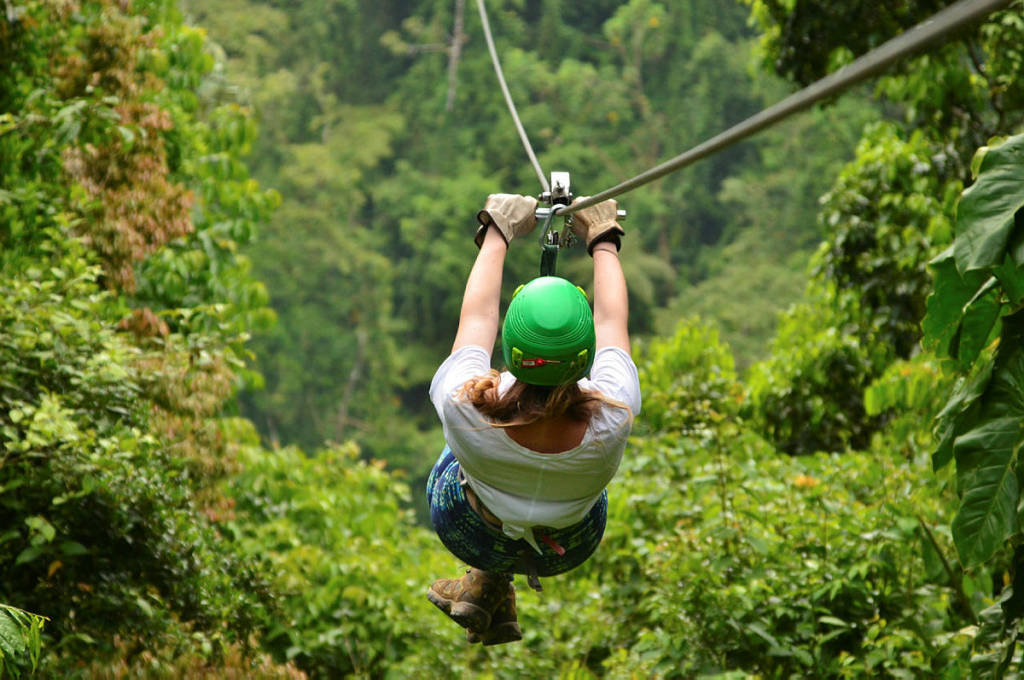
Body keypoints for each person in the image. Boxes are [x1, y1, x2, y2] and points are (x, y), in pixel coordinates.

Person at [425, 193, 641, 645]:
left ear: (513, 348)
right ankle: (489, 585)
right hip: (565, 548)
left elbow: (479, 317)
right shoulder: (613, 415)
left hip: (469, 532)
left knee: (454, 447)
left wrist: (498, 230)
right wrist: (603, 238)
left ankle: (487, 575)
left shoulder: (465, 406)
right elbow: (612, 321)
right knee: (579, 491)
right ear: (584, 358)